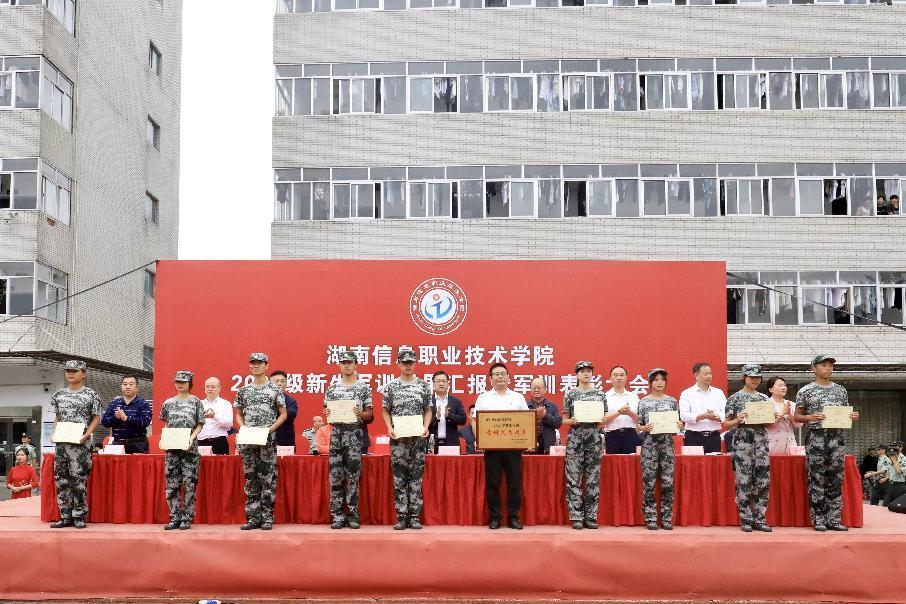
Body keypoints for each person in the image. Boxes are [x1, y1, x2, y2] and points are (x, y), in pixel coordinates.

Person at [794, 354, 860, 531]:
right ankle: (819, 519)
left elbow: (845, 413)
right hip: (816, 437)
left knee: (835, 478)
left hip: (836, 437)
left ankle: (834, 519)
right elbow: (797, 416)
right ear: (813, 369)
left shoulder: (840, 390)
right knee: (816, 477)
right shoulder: (805, 390)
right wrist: (810, 417)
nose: (828, 368)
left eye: (830, 365)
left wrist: (852, 416)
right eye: (823, 365)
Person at [233, 352, 287, 531]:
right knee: (250, 478)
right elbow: (238, 414)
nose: (255, 365)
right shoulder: (244, 390)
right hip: (248, 440)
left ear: (266, 366)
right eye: (253, 363)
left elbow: (283, 414)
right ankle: (253, 517)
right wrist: (243, 428)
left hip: (267, 440)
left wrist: (269, 430)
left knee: (268, 478)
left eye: (259, 363)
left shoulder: (275, 389)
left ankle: (267, 518)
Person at [474, 362, 529, 530]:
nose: (500, 377)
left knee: (514, 485)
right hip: (492, 449)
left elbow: (526, 420)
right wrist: (479, 439)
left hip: (513, 449)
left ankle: (513, 518)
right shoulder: (483, 397)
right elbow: (475, 421)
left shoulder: (518, 397)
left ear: (508, 377)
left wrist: (527, 440)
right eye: (496, 374)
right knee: (493, 485)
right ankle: (495, 517)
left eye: (503, 373)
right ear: (490, 379)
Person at [382, 348, 432, 530]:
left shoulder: (423, 386)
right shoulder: (391, 386)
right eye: (404, 362)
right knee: (399, 477)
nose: (408, 365)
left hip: (417, 438)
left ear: (415, 364)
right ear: (398, 364)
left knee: (416, 477)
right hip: (398, 439)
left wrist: (426, 427)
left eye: (411, 362)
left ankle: (414, 517)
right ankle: (402, 516)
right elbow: (385, 410)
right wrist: (389, 428)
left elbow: (428, 410)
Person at [324, 351, 373, 529]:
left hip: (354, 435)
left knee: (353, 476)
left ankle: (352, 515)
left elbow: (370, 416)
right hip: (336, 434)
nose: (346, 365)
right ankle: (337, 516)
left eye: (349, 362)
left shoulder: (363, 388)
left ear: (355, 364)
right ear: (339, 365)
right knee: (336, 476)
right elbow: (327, 411)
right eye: (343, 362)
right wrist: (327, 413)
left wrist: (361, 414)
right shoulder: (332, 388)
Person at [49, 360, 101, 529]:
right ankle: (65, 516)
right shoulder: (59, 395)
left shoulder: (91, 394)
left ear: (83, 374)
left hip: (80, 445)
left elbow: (96, 417)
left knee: (78, 481)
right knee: (61, 480)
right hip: (62, 444)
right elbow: (58, 417)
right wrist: (53, 433)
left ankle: (79, 516)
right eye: (68, 371)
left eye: (74, 371)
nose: (70, 374)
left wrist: (87, 434)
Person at [723, 364, 774, 532]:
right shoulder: (735, 398)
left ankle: (760, 519)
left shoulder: (764, 398)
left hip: (761, 442)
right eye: (752, 377)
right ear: (744, 377)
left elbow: (769, 424)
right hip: (742, 442)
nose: (755, 380)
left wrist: (772, 418)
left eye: (758, 377)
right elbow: (727, 424)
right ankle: (746, 519)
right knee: (743, 481)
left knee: (763, 481)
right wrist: (738, 419)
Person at [637, 368, 683, 530]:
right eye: (656, 380)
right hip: (649, 446)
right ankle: (650, 518)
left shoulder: (672, 401)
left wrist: (679, 425)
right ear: (650, 383)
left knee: (668, 483)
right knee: (649, 483)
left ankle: (666, 518)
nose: (659, 383)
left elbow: (677, 424)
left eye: (662, 380)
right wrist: (644, 428)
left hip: (667, 446)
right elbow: (638, 425)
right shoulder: (643, 402)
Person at [563, 361, 606, 530]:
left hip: (594, 437)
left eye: (589, 371)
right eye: (582, 371)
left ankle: (591, 516)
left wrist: (602, 419)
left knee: (593, 478)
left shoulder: (600, 394)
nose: (586, 374)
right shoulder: (570, 394)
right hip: (575, 437)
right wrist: (571, 421)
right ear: (577, 374)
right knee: (574, 478)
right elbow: (564, 419)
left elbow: (603, 420)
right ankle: (576, 517)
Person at [160, 371, 205, 530]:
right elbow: (166, 424)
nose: (180, 384)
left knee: (189, 484)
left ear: (190, 383)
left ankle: (187, 518)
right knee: (172, 484)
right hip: (172, 449)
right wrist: (164, 438)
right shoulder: (168, 403)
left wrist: (192, 437)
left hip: (189, 449)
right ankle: (174, 517)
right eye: (177, 381)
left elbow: (200, 424)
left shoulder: (196, 402)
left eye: (183, 382)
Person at [679, 362, 727, 454]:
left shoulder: (718, 393)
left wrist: (717, 416)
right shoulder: (687, 393)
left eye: (710, 374)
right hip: (693, 437)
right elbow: (684, 416)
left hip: (714, 437)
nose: (709, 376)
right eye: (706, 374)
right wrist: (703, 416)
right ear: (696, 375)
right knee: (694, 463)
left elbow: (725, 412)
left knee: (713, 463)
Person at [100, 375, 152, 454]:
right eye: (125, 384)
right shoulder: (114, 403)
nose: (128, 387)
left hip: (138, 444)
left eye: (131, 384)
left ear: (137, 387)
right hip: (118, 444)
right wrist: (115, 418)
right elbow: (104, 422)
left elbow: (145, 422)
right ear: (121, 387)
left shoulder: (143, 404)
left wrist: (127, 418)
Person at [603, 365, 640, 454]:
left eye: (622, 375)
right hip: (612, 436)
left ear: (626, 378)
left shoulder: (634, 397)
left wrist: (629, 413)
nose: (619, 378)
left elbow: (640, 420)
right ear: (610, 378)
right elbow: (601, 421)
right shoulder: (604, 397)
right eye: (615, 375)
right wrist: (618, 413)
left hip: (631, 435)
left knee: (631, 462)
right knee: (612, 462)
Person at [429, 371, 467, 453]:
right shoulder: (428, 401)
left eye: (443, 381)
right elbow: (422, 423)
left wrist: (449, 416)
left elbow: (463, 419)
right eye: (438, 381)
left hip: (451, 442)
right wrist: (436, 418)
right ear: (433, 384)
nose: (441, 383)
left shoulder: (456, 401)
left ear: (448, 384)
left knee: (452, 462)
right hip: (432, 442)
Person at [525, 377, 562, 455]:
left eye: (539, 388)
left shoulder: (552, 406)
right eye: (533, 388)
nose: (536, 390)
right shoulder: (525, 406)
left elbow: (558, 423)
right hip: (530, 446)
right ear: (530, 389)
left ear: (545, 389)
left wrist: (545, 416)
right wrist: (527, 443)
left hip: (548, 446)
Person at [197, 377, 233, 455]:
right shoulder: (199, 404)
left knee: (220, 463)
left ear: (219, 388)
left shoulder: (225, 404)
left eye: (213, 387)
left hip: (219, 442)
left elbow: (229, 424)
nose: (210, 389)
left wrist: (214, 416)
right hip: (201, 442)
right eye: (207, 387)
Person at [764, 377, 799, 455]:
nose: (783, 388)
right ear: (770, 389)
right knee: (773, 462)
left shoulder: (792, 404)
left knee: (791, 462)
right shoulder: (766, 405)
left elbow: (798, 425)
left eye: (784, 385)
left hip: (790, 443)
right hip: (773, 443)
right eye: (780, 385)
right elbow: (765, 425)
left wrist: (789, 414)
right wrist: (782, 413)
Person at [270, 370, 298, 449]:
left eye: (282, 381)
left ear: (286, 384)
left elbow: (291, 414)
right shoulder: (263, 400)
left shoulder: (290, 401)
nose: (279, 383)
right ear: (269, 384)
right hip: (265, 442)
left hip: (285, 443)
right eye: (276, 381)